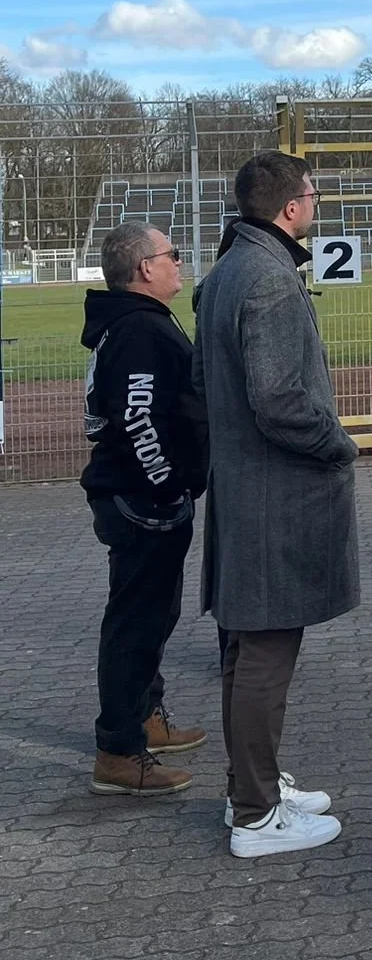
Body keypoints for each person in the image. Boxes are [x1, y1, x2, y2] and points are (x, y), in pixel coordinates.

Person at [193, 151, 359, 859]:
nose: (315, 206)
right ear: (292, 206)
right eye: (313, 196)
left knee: (245, 648)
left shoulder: (229, 269)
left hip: (243, 487)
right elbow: (280, 401)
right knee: (264, 650)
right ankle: (256, 815)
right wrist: (338, 445)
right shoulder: (266, 279)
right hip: (272, 496)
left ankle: (251, 787)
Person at [81, 223, 209, 796]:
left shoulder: (139, 323)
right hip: (140, 501)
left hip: (141, 495)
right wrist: (165, 485)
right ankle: (119, 751)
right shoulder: (137, 332)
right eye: (171, 255)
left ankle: (145, 719)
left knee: (154, 617)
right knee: (135, 625)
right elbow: (138, 420)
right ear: (143, 269)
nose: (180, 263)